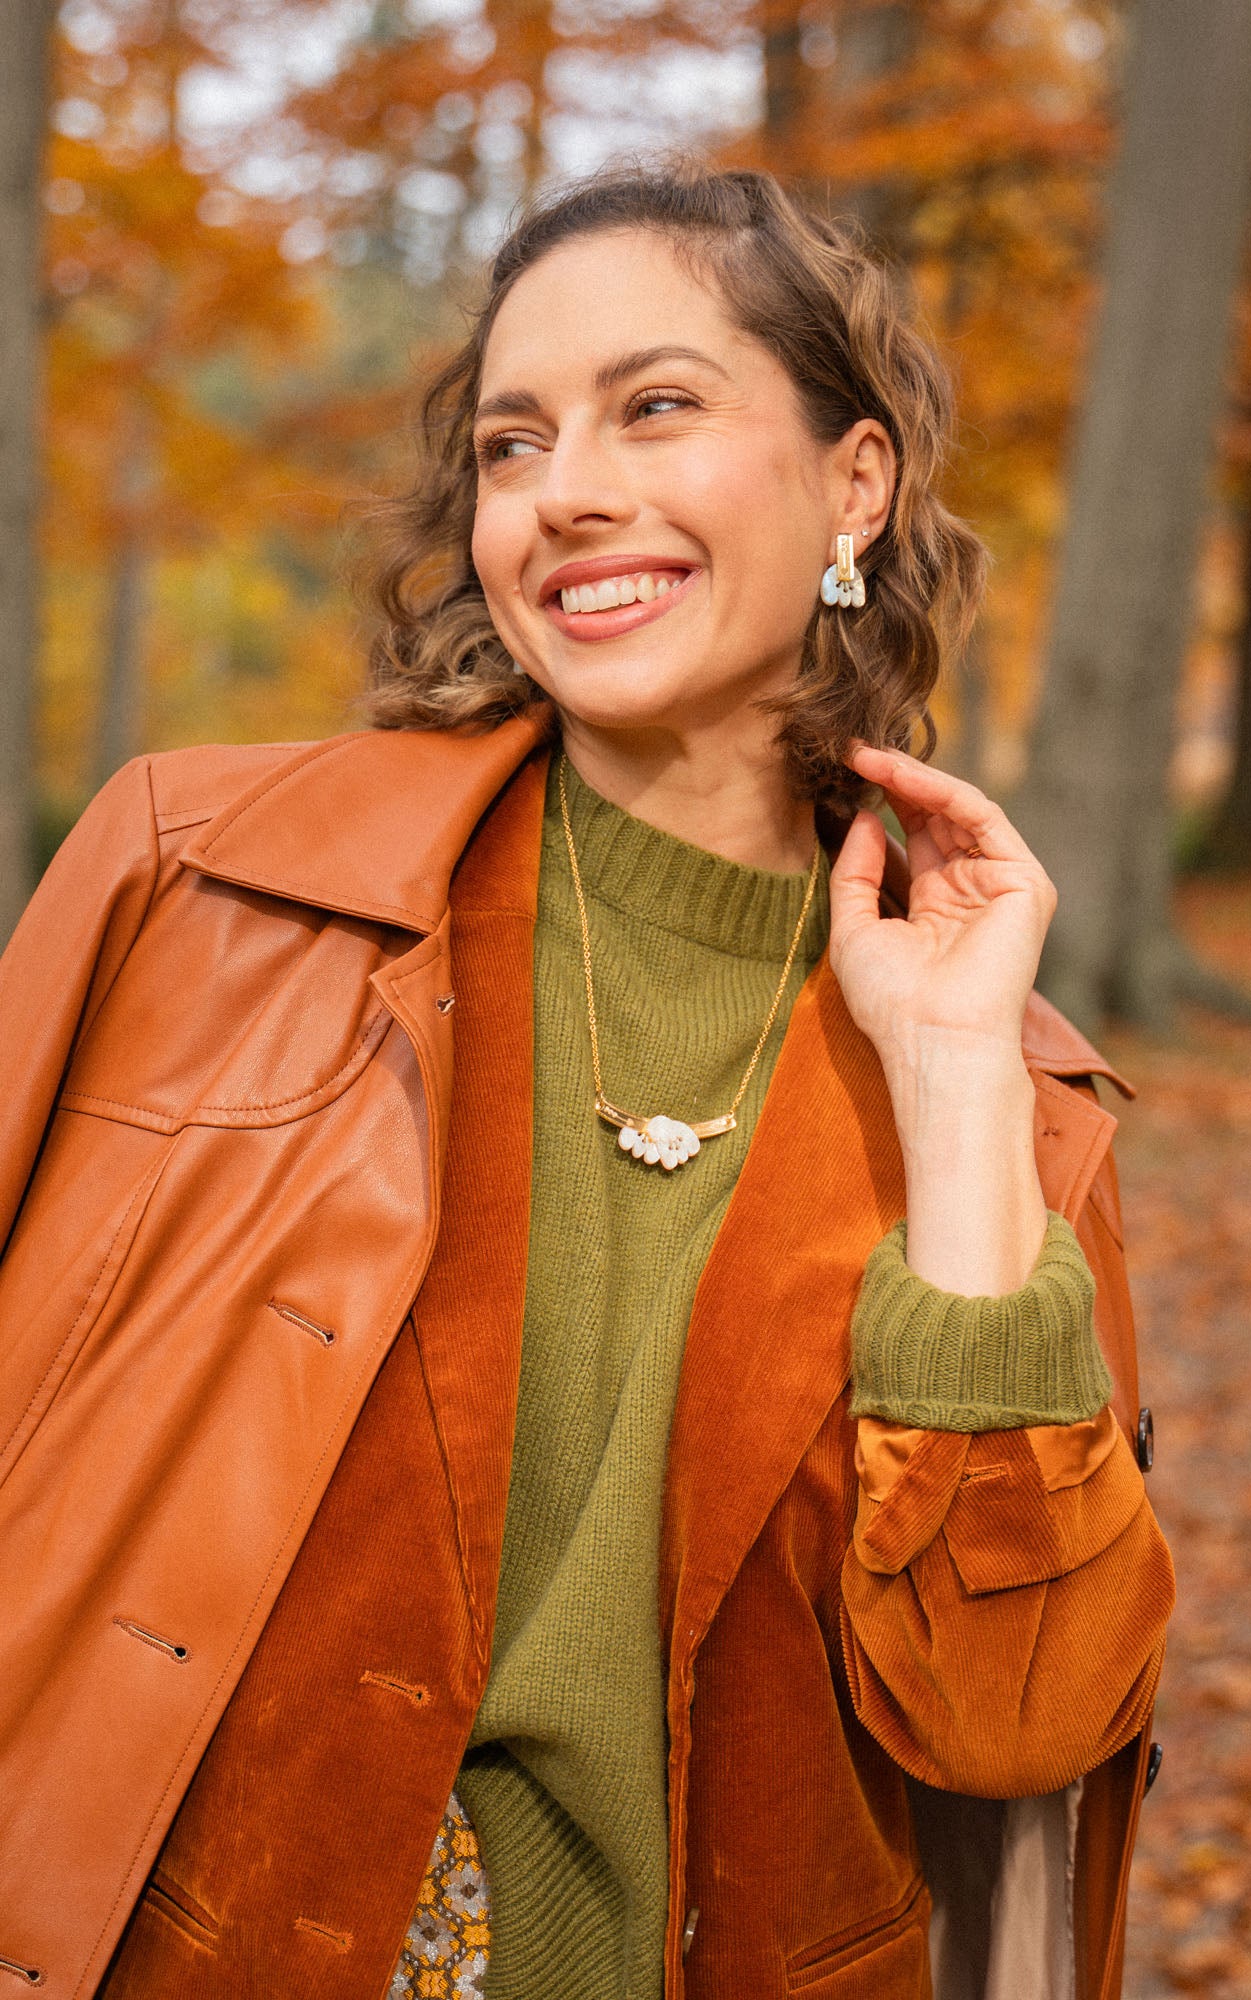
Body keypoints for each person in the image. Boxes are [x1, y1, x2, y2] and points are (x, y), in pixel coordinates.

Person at [0, 162, 1173, 2000]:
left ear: (851, 482)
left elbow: (1015, 1728)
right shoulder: (203, 878)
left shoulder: (1006, 1105)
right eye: (511, 443)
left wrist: (947, 1090)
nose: (568, 496)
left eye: (658, 407)